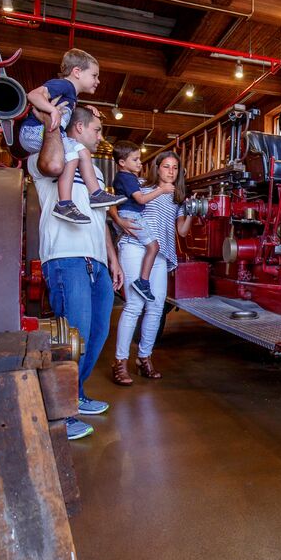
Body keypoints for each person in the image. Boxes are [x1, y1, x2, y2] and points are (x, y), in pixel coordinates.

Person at [30, 105, 124, 439]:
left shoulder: (94, 172)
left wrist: (112, 258)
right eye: (97, 130)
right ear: (79, 127)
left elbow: (98, 219)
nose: (101, 137)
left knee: (97, 334)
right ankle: (58, 411)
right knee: (72, 337)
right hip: (66, 258)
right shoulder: (47, 158)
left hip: (96, 260)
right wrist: (54, 119)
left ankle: (75, 394)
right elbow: (53, 162)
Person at [110, 150, 193, 385]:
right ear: (157, 168)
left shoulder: (178, 198)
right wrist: (118, 221)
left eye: (175, 168)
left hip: (160, 253)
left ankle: (144, 358)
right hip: (135, 247)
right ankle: (120, 362)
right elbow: (111, 204)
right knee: (135, 305)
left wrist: (193, 212)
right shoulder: (142, 187)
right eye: (166, 166)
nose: (170, 171)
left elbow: (182, 232)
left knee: (156, 307)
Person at [19, 48, 124, 224]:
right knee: (74, 154)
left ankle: (95, 194)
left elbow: (67, 108)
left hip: (41, 134)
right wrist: (52, 110)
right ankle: (67, 202)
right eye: (94, 75)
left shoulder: (71, 95)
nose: (98, 81)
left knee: (81, 152)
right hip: (34, 132)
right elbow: (33, 95)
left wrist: (85, 107)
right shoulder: (64, 85)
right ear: (77, 72)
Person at [111, 141, 174, 303]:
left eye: (140, 159)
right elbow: (140, 199)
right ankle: (143, 281)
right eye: (136, 159)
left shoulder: (125, 178)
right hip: (132, 215)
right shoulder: (130, 179)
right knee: (154, 246)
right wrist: (161, 190)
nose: (140, 163)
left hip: (128, 215)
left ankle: (143, 282)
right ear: (122, 162)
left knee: (153, 247)